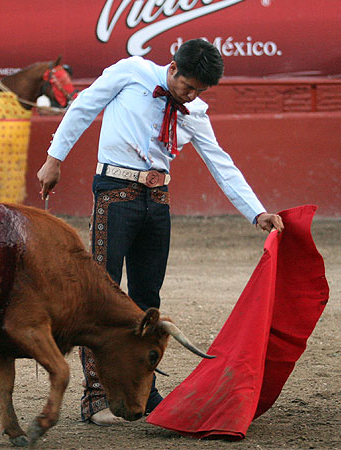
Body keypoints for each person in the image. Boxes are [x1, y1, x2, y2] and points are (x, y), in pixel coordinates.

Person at [37, 39, 284, 426]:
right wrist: (54, 160)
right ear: (172, 69)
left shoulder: (194, 110)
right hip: (115, 193)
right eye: (188, 87)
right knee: (99, 292)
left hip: (158, 201)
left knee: (147, 300)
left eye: (199, 91)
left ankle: (144, 391)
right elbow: (83, 107)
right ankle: (95, 397)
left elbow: (220, 162)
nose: (192, 95)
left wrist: (257, 212)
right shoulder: (131, 71)